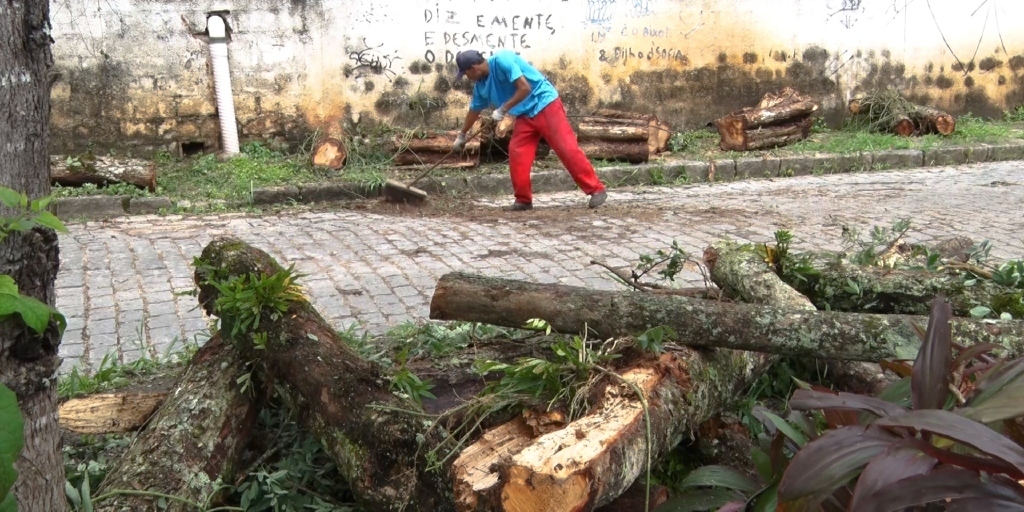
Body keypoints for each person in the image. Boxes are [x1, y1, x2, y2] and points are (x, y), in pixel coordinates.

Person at [453, 49, 607, 211]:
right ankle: (523, 200)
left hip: (545, 104)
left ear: (473, 68)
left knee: (566, 148)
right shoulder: (481, 85)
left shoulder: (502, 61)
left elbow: (524, 88)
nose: (467, 78)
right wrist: (462, 135)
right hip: (525, 114)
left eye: (465, 74)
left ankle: (596, 189)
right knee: (517, 152)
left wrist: (503, 109)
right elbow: (474, 111)